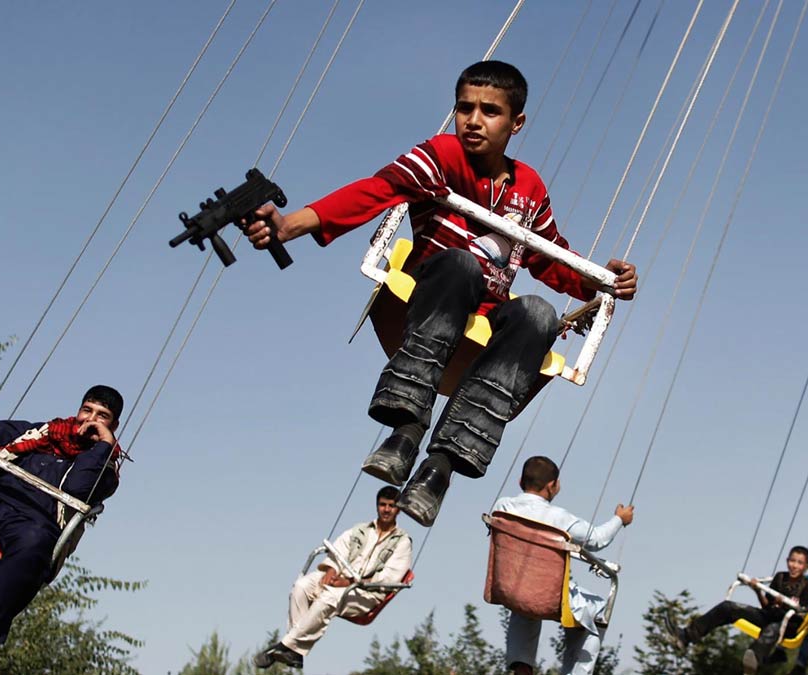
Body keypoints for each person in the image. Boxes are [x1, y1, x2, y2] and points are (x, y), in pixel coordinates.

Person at [242, 60, 639, 527]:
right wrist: (292, 225)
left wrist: (602, 282)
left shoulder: (529, 186)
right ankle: (407, 429)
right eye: (464, 107)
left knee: (539, 312)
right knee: (461, 263)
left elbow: (549, 257)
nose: (473, 120)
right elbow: (377, 190)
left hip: (488, 317)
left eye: (489, 111)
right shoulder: (441, 156)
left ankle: (440, 468)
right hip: (438, 292)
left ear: (516, 123)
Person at [0, 385, 124, 675]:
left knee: (33, 546)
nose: (90, 419)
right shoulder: (44, 432)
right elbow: (1, 434)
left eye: (102, 416)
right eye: (87, 410)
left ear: (113, 426)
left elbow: (78, 488)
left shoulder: (105, 469)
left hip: (32, 521)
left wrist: (103, 446)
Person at [490, 456, 633, 675]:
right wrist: (619, 519)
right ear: (552, 486)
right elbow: (596, 539)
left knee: (525, 595)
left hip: (509, 587)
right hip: (549, 596)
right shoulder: (559, 518)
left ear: (521, 482)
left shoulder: (502, 506)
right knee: (597, 613)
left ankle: (522, 666)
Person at [255, 486, 412, 669]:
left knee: (329, 597)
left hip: (367, 592)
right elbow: (339, 549)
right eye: (382, 505)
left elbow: (388, 578)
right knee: (301, 586)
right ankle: (295, 653)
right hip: (340, 577)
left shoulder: (402, 542)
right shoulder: (361, 530)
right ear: (377, 506)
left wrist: (351, 582)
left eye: (391, 506)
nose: (386, 510)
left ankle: (283, 646)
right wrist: (331, 569)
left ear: (398, 509)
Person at [664, 546, 808, 674]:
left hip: (787, 625)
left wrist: (784, 605)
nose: (794, 566)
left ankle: (753, 660)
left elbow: (800, 615)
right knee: (727, 607)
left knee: (772, 629)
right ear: (787, 561)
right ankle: (687, 635)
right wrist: (757, 590)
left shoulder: (807, 587)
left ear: (806, 567)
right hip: (768, 615)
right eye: (792, 561)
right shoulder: (780, 577)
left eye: (799, 563)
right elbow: (766, 606)